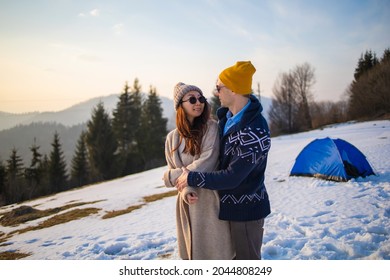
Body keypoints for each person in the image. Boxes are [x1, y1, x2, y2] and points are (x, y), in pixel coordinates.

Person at [176, 61, 271, 260]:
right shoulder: (226, 119)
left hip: (246, 211)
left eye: (219, 88)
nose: (216, 92)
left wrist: (193, 178)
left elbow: (233, 177)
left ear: (234, 89)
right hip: (226, 208)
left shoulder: (255, 130)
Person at [163, 82, 234, 260]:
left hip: (210, 199)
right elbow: (174, 166)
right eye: (192, 99)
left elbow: (208, 160)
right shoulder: (172, 138)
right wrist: (187, 189)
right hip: (188, 202)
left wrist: (171, 177)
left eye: (201, 98)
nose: (198, 102)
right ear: (181, 106)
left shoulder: (211, 127)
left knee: (218, 253)